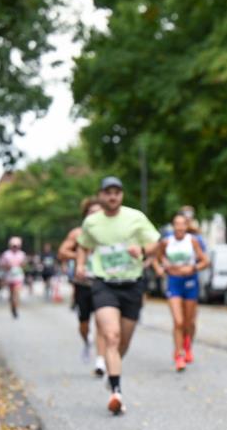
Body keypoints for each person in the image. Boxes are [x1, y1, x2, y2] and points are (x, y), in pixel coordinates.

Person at [75, 176, 160, 415]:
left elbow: (155, 243)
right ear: (101, 195)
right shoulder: (92, 222)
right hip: (104, 284)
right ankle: (116, 393)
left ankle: (113, 371)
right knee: (111, 336)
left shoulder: (136, 218)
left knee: (123, 342)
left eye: (117, 192)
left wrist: (141, 250)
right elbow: (83, 245)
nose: (112, 196)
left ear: (121, 195)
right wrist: (80, 265)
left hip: (132, 284)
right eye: (108, 192)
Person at [155, 213, 210, 371]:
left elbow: (205, 261)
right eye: (176, 224)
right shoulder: (166, 242)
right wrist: (161, 267)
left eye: (182, 224)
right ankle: (179, 354)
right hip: (174, 282)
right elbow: (157, 258)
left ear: (186, 226)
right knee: (178, 321)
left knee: (189, 321)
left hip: (190, 282)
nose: (179, 227)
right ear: (173, 226)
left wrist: (193, 268)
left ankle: (187, 346)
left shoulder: (192, 241)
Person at [58, 197, 107, 372]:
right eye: (92, 212)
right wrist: (80, 255)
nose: (95, 215)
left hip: (102, 283)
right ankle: (87, 341)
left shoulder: (109, 233)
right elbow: (62, 252)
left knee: (102, 322)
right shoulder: (77, 233)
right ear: (86, 215)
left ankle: (100, 361)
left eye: (99, 212)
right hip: (83, 284)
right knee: (84, 324)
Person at [0, 237, 28, 318]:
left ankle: (15, 307)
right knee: (11, 294)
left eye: (16, 246)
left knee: (17, 292)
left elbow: (24, 264)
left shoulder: (22, 254)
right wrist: (8, 266)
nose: (15, 247)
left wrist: (21, 264)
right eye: (13, 246)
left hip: (18, 276)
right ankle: (12, 307)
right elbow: (2, 264)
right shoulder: (6, 254)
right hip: (9, 276)